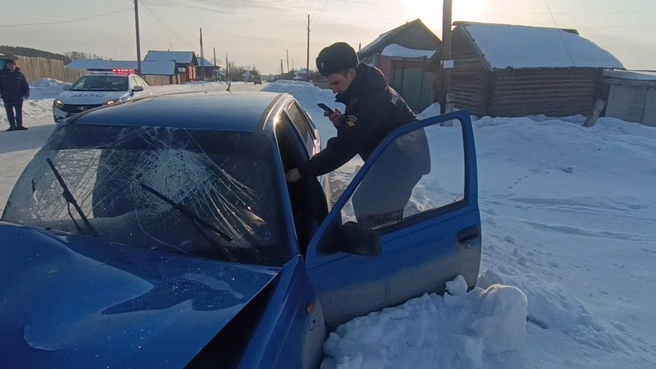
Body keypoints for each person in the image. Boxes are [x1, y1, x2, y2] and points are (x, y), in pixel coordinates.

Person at [285, 42, 430, 228]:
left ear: (351, 73)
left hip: (404, 163)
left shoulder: (369, 101)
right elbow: (364, 130)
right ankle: (382, 237)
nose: (334, 89)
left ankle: (381, 246)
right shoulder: (368, 88)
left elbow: (343, 149)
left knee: (373, 207)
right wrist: (344, 124)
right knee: (369, 202)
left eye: (336, 83)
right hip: (393, 157)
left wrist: (302, 171)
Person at [0, 59, 30, 131]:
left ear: (15, 65)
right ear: (6, 65)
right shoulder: (1, 74)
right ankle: (12, 126)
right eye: (9, 65)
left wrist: (26, 93)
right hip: (7, 96)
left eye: (12, 65)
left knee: (18, 111)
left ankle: (19, 125)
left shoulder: (20, 74)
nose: (11, 66)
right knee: (9, 111)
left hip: (18, 95)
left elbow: (25, 85)